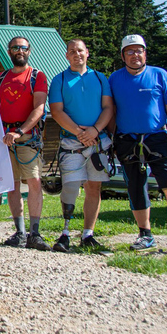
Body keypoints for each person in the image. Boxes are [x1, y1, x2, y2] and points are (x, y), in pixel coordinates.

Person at [109, 34, 167, 254]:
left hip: (158, 137)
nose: (135, 55)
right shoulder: (114, 79)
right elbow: (111, 111)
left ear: (145, 53)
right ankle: (145, 234)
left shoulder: (159, 75)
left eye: (139, 51)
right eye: (130, 51)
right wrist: (112, 138)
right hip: (127, 139)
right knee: (136, 187)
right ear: (123, 55)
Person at [48, 39, 113, 252]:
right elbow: (56, 111)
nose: (77, 54)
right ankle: (65, 232)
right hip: (71, 141)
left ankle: (88, 234)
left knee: (94, 187)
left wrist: (94, 131)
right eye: (72, 51)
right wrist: (80, 132)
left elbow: (108, 107)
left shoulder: (100, 78)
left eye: (80, 50)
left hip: (97, 141)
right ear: (67, 56)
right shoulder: (59, 80)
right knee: (71, 186)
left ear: (87, 53)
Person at [0, 36, 51, 251]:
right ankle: (19, 232)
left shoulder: (37, 76)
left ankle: (34, 233)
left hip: (27, 137)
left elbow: (39, 108)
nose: (20, 51)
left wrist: (20, 131)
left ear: (29, 51)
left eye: (23, 48)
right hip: (4, 138)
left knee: (34, 181)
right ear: (9, 51)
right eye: (15, 48)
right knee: (12, 184)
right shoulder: (0, 78)